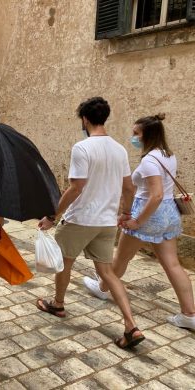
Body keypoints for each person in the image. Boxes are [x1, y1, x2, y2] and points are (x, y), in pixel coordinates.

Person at [37, 97, 144, 349]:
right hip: (107, 222)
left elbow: (76, 188)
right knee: (107, 273)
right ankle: (131, 325)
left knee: (65, 262)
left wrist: (52, 216)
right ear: (104, 118)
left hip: (81, 218)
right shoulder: (119, 149)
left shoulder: (82, 148)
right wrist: (125, 213)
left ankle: (58, 303)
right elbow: (129, 187)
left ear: (85, 119)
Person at [84, 114, 195, 330]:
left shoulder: (150, 161)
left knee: (121, 258)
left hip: (148, 215)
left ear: (148, 135)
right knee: (172, 264)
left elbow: (156, 195)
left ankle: (103, 288)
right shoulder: (168, 155)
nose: (132, 137)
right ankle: (189, 314)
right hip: (168, 216)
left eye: (136, 133)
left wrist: (136, 221)